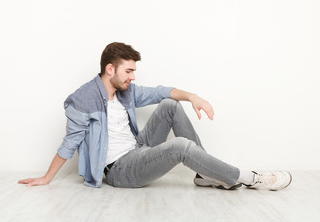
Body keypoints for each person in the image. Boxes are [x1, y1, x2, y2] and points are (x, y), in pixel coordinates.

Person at [18, 42, 292, 191]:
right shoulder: (82, 100)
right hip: (119, 170)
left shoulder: (126, 91)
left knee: (170, 105)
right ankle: (248, 177)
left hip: (138, 149)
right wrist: (46, 178)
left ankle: (205, 175)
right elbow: (69, 143)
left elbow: (162, 92)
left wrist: (194, 97)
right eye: (128, 71)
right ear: (110, 68)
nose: (133, 77)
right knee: (181, 147)